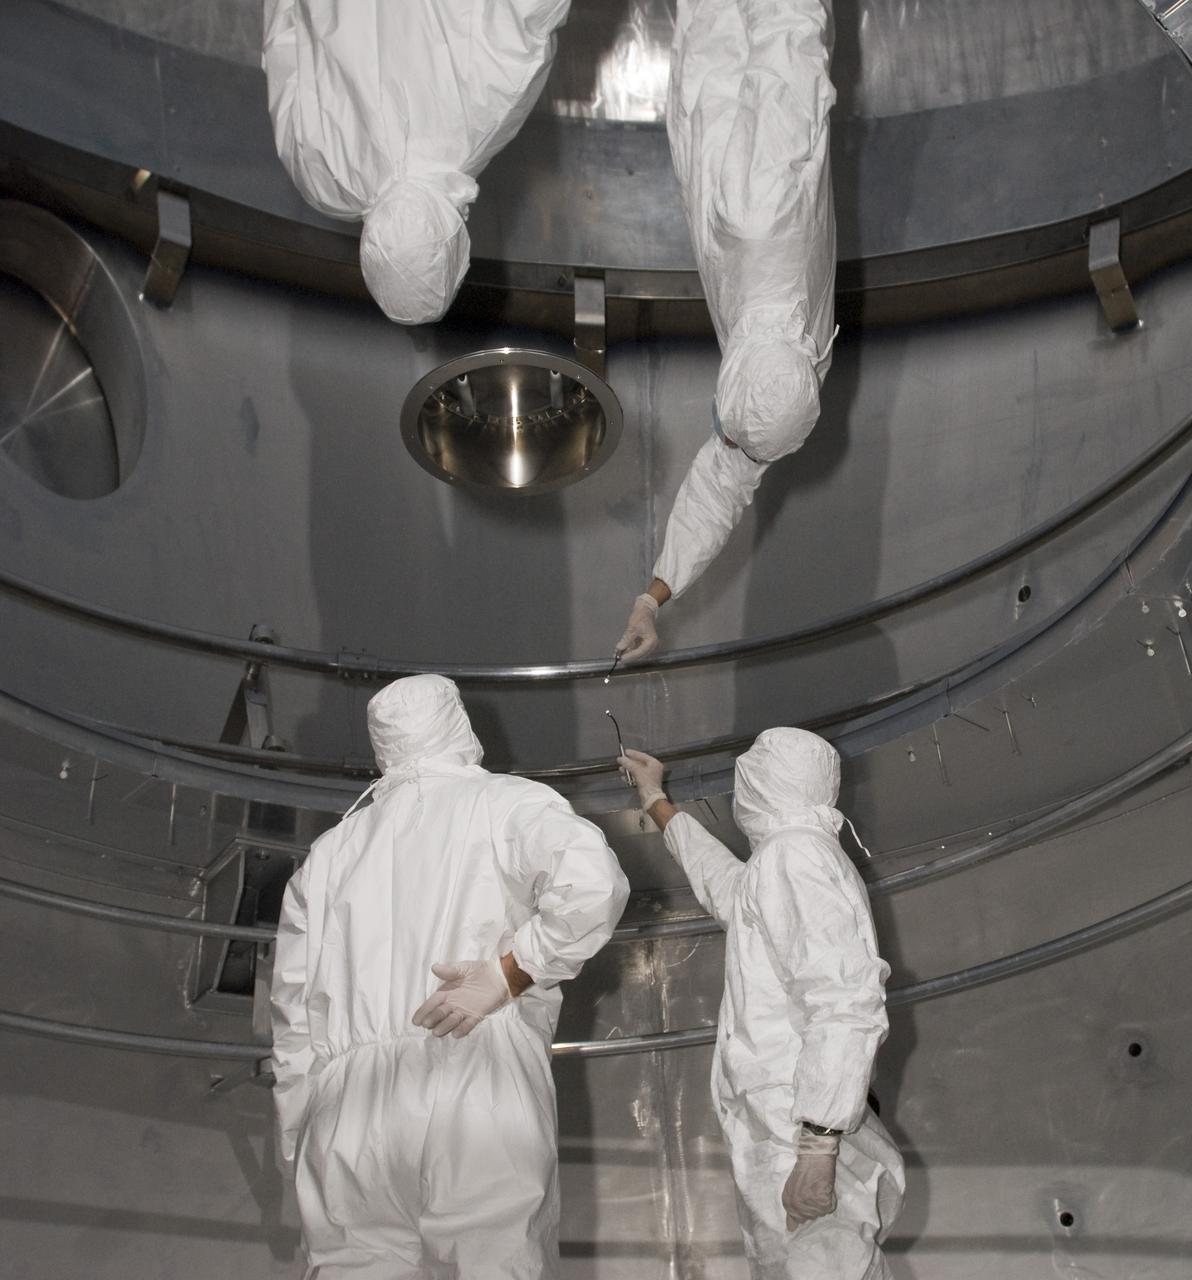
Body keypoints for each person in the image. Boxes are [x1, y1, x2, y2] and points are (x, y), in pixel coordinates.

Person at [271, 674, 630, 1279]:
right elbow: (593, 883)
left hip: (344, 1113)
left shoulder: (327, 856)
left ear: (382, 746)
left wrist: (298, 1152)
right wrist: (513, 972)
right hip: (476, 1072)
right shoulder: (506, 801)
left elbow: (291, 1025)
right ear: (458, 727)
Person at [618, 728, 903, 1279]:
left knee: (819, 1265)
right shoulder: (786, 858)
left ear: (763, 781)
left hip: (798, 1119)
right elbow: (725, 885)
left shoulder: (796, 855)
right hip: (792, 1116)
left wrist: (818, 1147)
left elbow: (845, 999)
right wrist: (655, 800)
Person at [616, 0, 837, 662]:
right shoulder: (760, 215)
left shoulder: (795, 374)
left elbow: (723, 486)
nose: (724, 438)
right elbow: (785, 42)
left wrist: (652, 598)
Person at [262, 0, 571, 324]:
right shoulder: (320, 181)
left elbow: (532, 14)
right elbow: (281, 36)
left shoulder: (483, 120)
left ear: (455, 244)